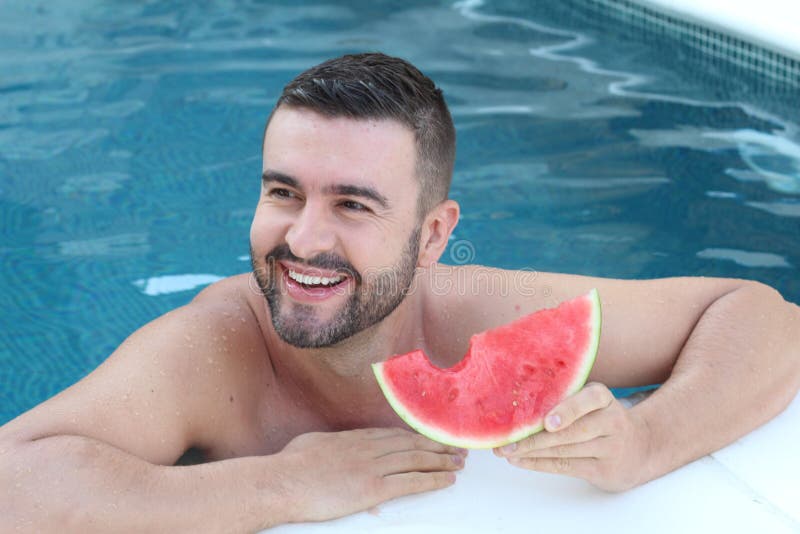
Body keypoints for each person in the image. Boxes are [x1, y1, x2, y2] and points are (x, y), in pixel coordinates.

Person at [1, 52, 799, 533]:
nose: (304, 239)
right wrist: (285, 482)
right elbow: (14, 483)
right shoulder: (210, 350)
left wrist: (645, 444)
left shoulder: (480, 313)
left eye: (352, 204)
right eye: (283, 193)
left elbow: (762, 316)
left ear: (431, 236)